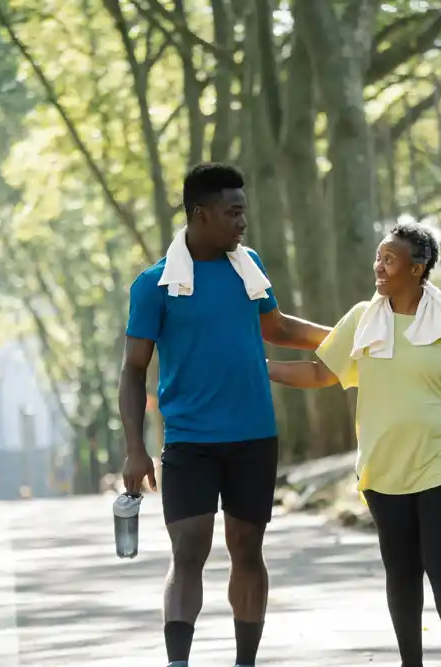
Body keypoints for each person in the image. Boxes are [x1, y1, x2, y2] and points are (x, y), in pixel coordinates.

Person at [267, 221, 441, 667]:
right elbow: (320, 373)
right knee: (401, 574)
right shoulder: (363, 319)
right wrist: (260, 365)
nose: (378, 267)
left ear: (418, 269)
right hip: (384, 471)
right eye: (378, 258)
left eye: (389, 259)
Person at [119, 163, 331, 667]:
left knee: (247, 551)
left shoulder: (248, 264)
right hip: (190, 441)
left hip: (254, 437)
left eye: (244, 211)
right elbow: (132, 370)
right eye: (233, 212)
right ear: (201, 215)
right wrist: (134, 447)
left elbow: (276, 328)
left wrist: (345, 334)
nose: (242, 221)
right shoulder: (154, 286)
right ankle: (178, 662)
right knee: (189, 549)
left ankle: (244, 663)